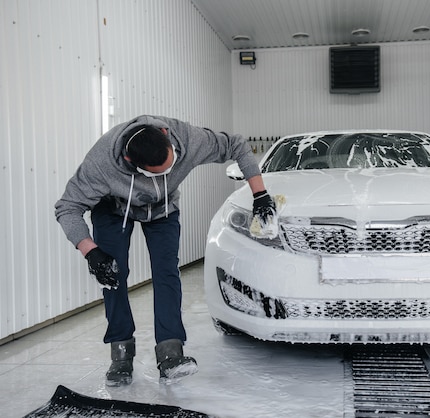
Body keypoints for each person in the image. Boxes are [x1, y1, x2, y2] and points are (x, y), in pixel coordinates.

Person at [55, 115, 276, 386]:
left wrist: (260, 195)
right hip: (113, 211)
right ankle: (121, 353)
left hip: (162, 210)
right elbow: (67, 207)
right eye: (157, 173)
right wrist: (90, 251)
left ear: (166, 137)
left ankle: (171, 353)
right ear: (129, 162)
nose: (166, 175)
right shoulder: (101, 164)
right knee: (112, 275)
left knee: (167, 272)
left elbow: (237, 145)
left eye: (170, 167)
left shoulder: (188, 139)